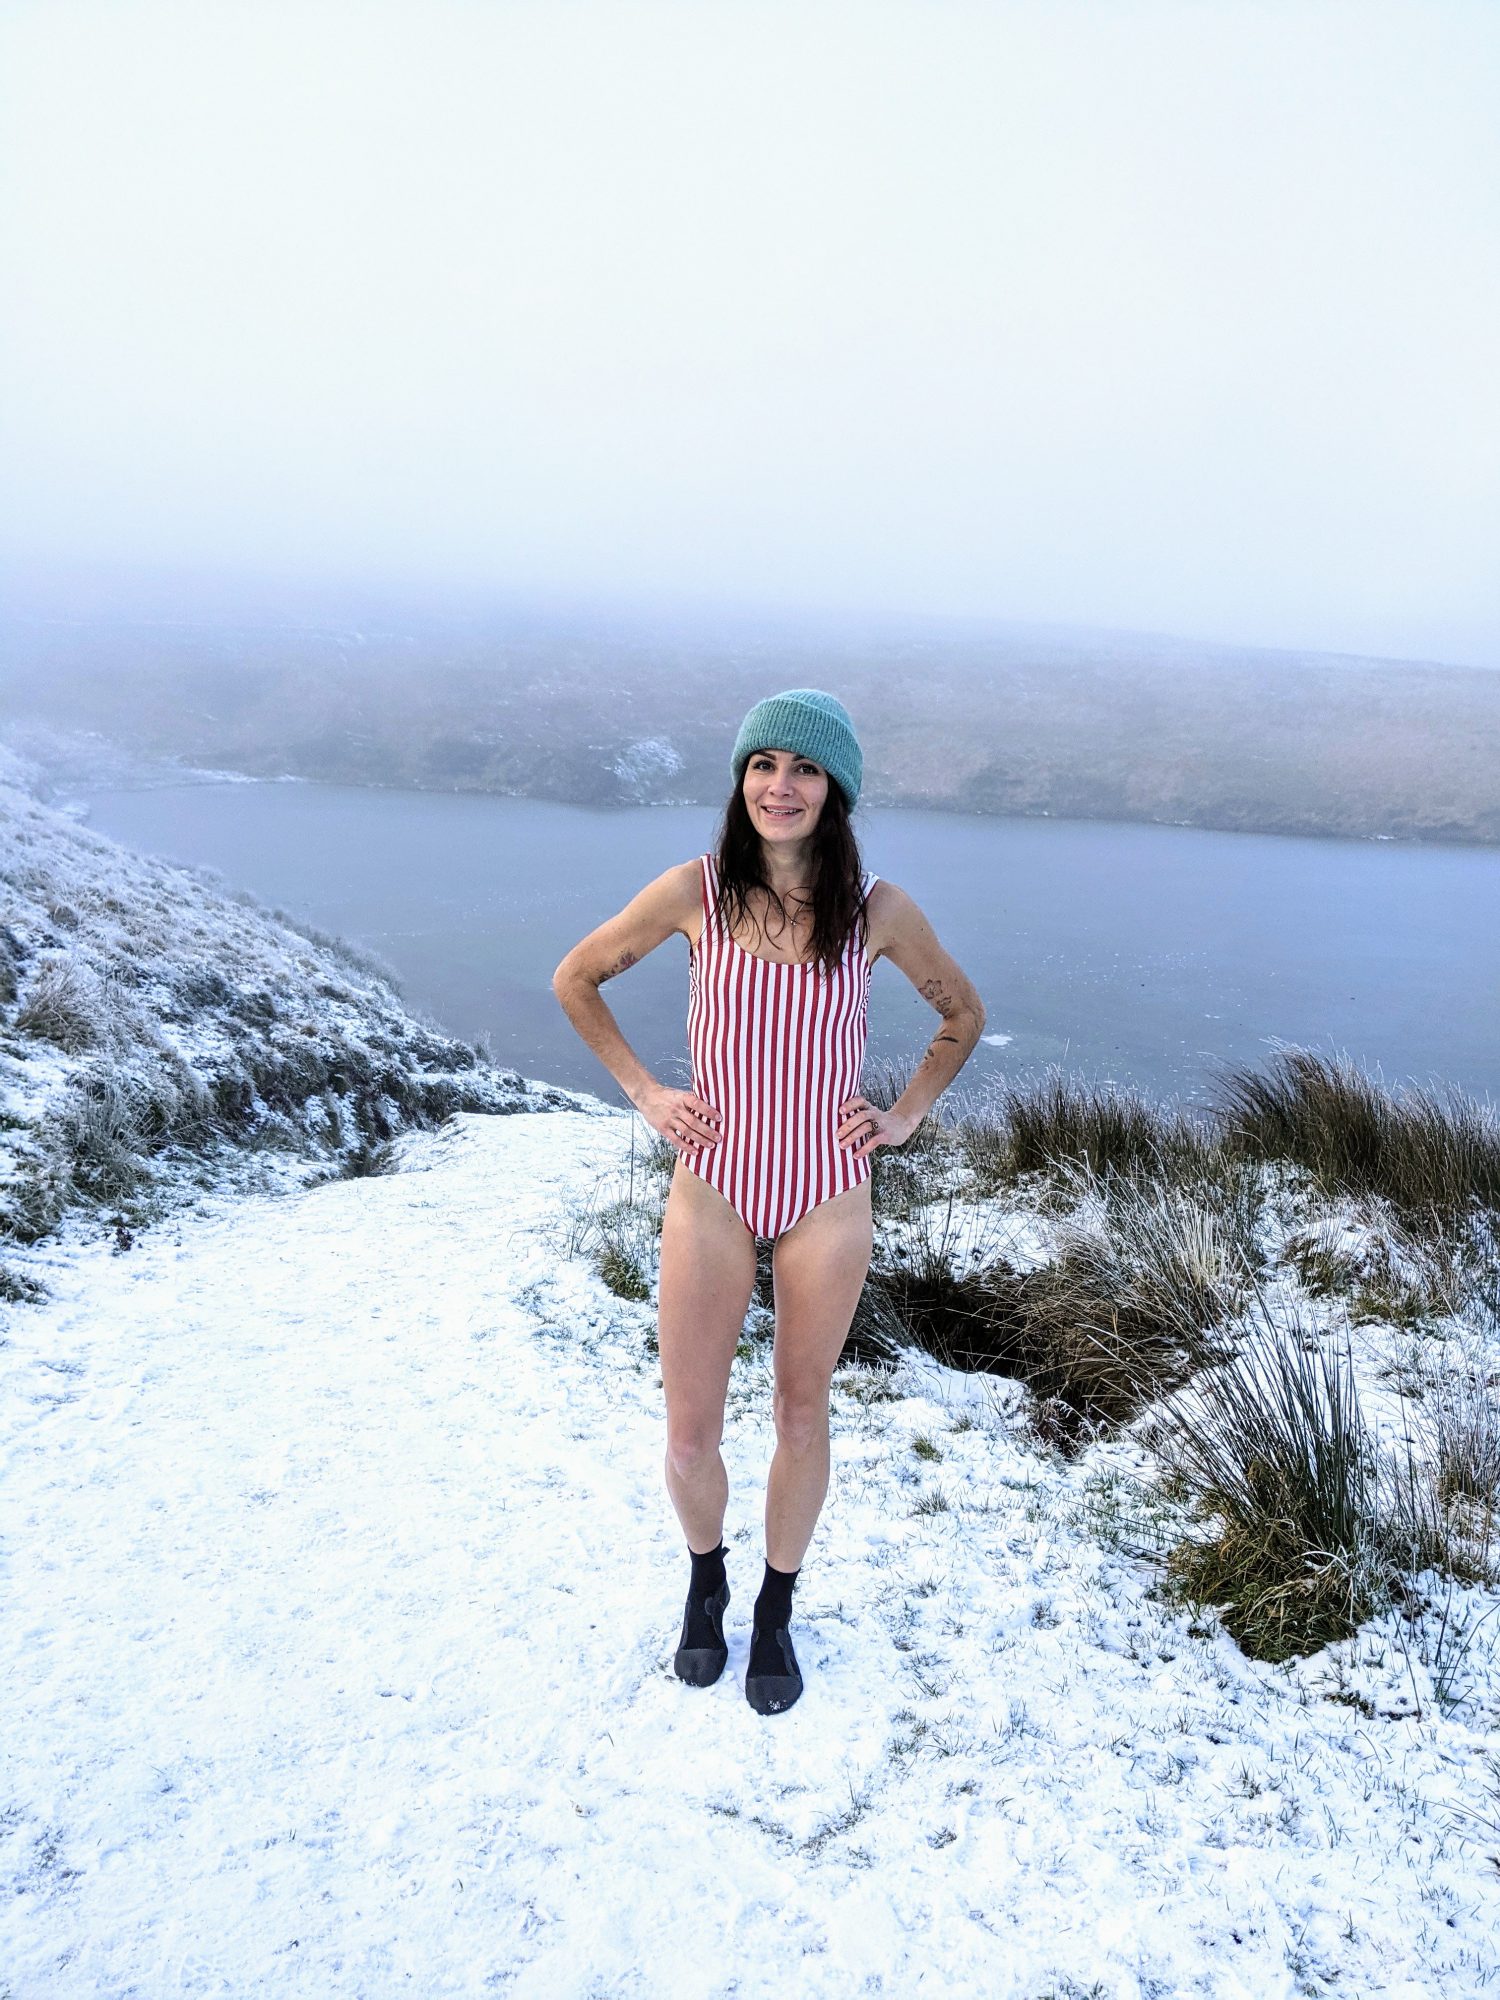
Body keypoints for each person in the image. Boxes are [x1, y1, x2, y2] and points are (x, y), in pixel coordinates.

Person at [552, 688, 986, 1714]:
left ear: (835, 790)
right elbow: (578, 976)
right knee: (691, 1433)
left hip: (827, 1195)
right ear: (741, 778)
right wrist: (648, 1092)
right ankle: (707, 1581)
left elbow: (962, 1015)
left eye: (803, 769)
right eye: (762, 765)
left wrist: (905, 1113)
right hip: (713, 1188)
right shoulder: (695, 891)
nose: (779, 786)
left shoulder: (879, 911)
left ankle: (776, 1607)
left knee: (800, 1410)